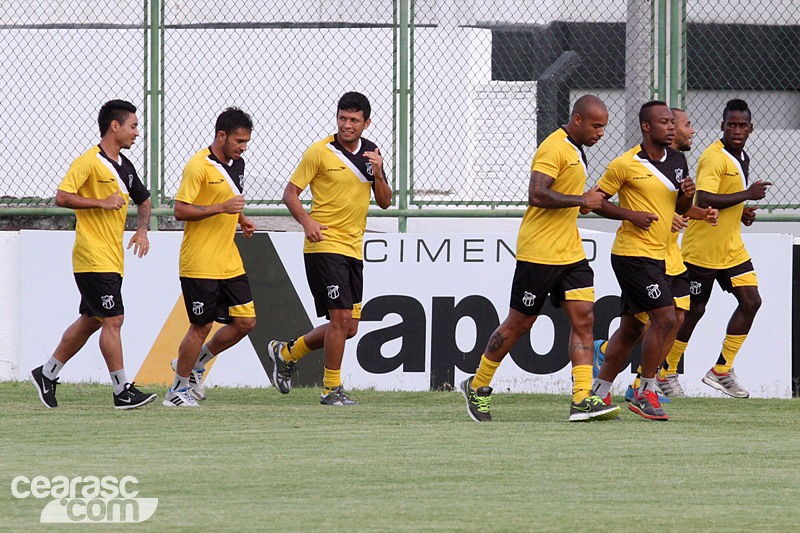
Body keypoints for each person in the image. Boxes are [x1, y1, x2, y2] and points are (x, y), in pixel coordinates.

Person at [456, 95, 620, 422]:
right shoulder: (554, 147)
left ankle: (582, 399)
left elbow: (566, 196)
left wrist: (581, 203)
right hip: (539, 252)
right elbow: (536, 193)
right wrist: (579, 198)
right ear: (577, 120)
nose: (601, 133)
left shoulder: (575, 149)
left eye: (604, 126)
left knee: (585, 319)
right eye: (596, 125)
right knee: (519, 324)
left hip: (570, 251)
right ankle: (478, 385)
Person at [268, 92, 392, 405]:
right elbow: (290, 193)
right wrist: (307, 223)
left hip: (353, 249)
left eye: (354, 120)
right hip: (324, 246)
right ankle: (330, 389)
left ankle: (286, 352)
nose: (347, 125)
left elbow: (386, 202)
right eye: (342, 118)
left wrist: (378, 172)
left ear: (366, 122)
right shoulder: (319, 152)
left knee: (349, 328)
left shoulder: (372, 154)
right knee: (339, 319)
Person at [30, 99, 156, 409]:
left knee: (91, 321)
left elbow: (144, 199)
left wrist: (142, 229)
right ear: (115, 126)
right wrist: (100, 202)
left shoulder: (125, 166)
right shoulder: (88, 161)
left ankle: (47, 373)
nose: (137, 133)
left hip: (113, 258)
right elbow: (62, 196)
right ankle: (121, 390)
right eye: (134, 126)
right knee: (114, 319)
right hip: (91, 256)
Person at [593, 108, 717, 400]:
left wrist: (687, 192)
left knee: (632, 329)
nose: (671, 128)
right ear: (646, 127)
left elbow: (681, 208)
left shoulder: (677, 160)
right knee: (665, 318)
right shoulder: (624, 163)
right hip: (632, 254)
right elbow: (595, 202)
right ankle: (644, 390)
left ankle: (598, 394)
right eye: (665, 123)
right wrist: (629, 215)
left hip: (661, 256)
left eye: (673, 123)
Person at [674, 99, 768, 398]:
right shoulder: (714, 157)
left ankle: (722, 370)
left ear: (750, 128)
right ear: (722, 126)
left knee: (752, 301)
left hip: (731, 249)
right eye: (731, 125)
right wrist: (747, 194)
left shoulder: (740, 156)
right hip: (702, 249)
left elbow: (725, 198)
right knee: (693, 311)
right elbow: (703, 199)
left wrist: (742, 211)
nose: (737, 130)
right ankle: (664, 372)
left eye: (742, 125)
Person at [163, 107, 257, 407]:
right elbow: (180, 210)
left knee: (246, 322)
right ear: (221, 135)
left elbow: (230, 200)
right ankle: (176, 391)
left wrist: (241, 219)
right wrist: (223, 208)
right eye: (239, 141)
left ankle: (195, 365)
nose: (243, 147)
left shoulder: (237, 165)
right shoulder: (198, 165)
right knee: (200, 326)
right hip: (200, 261)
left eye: (246, 142)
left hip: (228, 259)